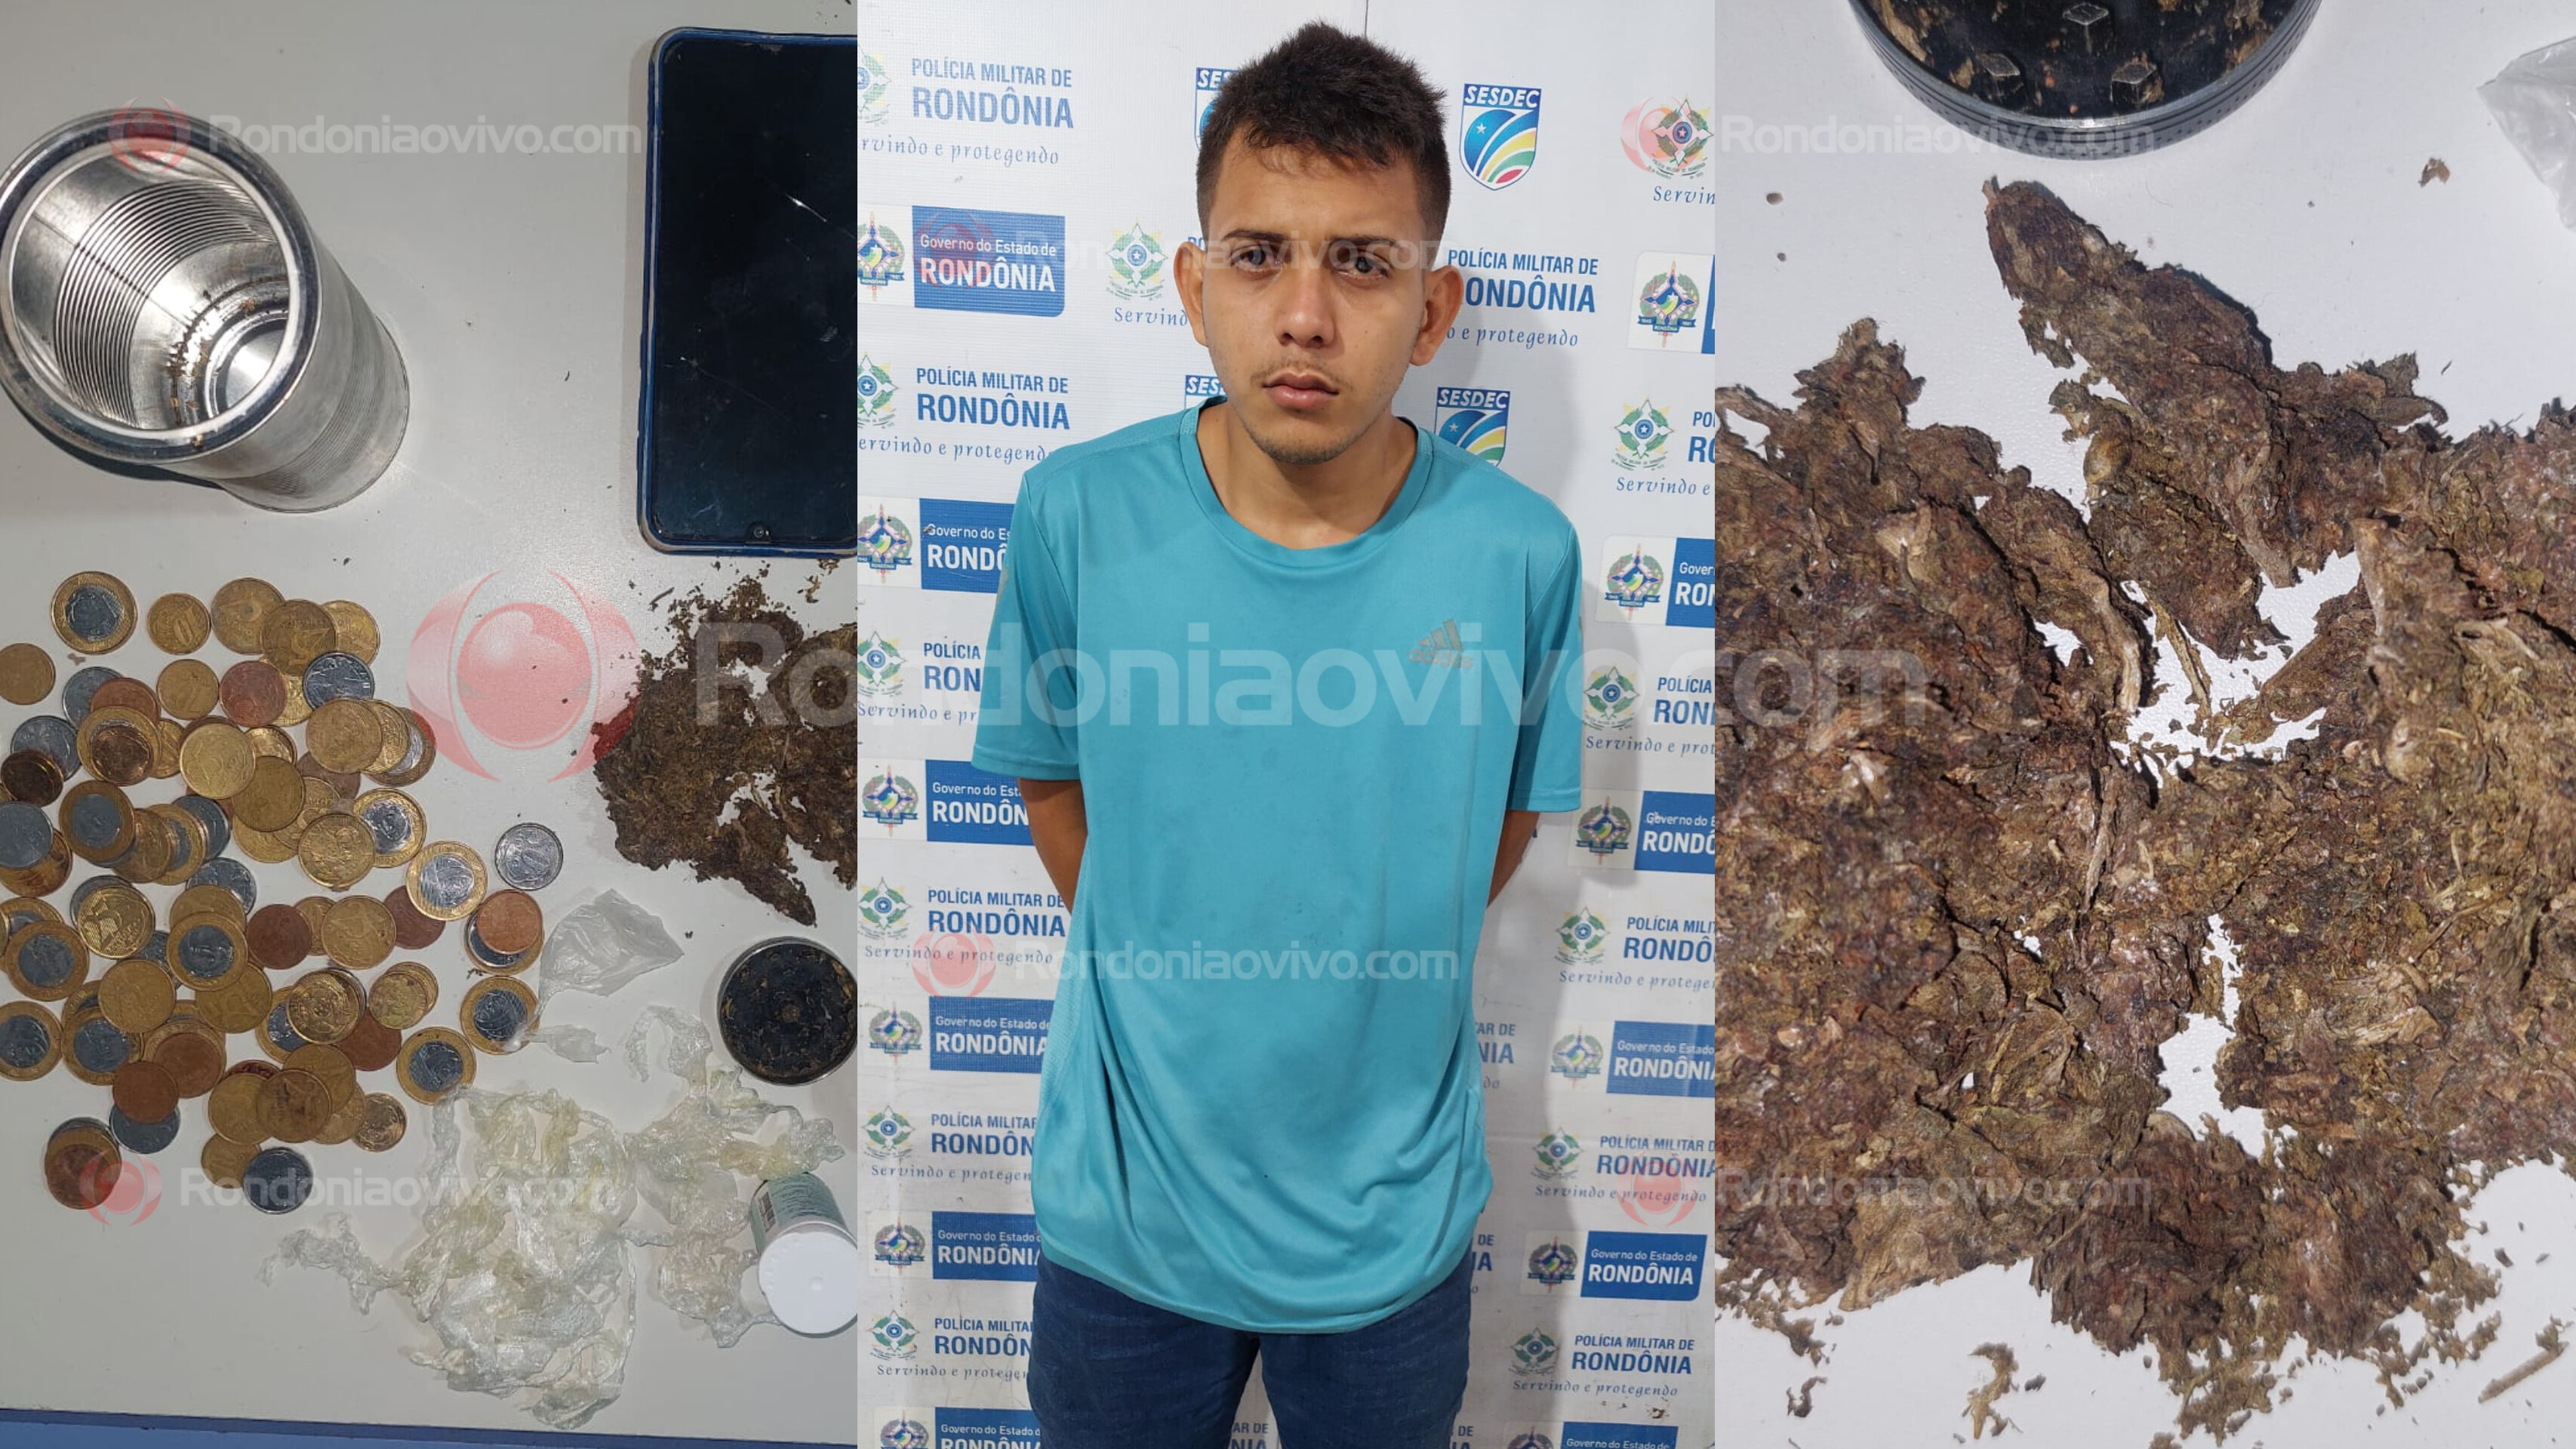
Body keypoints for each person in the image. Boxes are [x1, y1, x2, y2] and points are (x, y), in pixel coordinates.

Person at [968, 20, 1585, 1447]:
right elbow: (1051, 785)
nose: (1304, 316)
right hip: (1125, 1226)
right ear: (1195, 287)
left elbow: (1498, 825)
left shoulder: (1519, 556)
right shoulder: (1074, 512)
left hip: (1392, 1231)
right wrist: (1170, 947)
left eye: (1360, 262)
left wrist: (1357, 961)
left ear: (1430, 310)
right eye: (1258, 255)